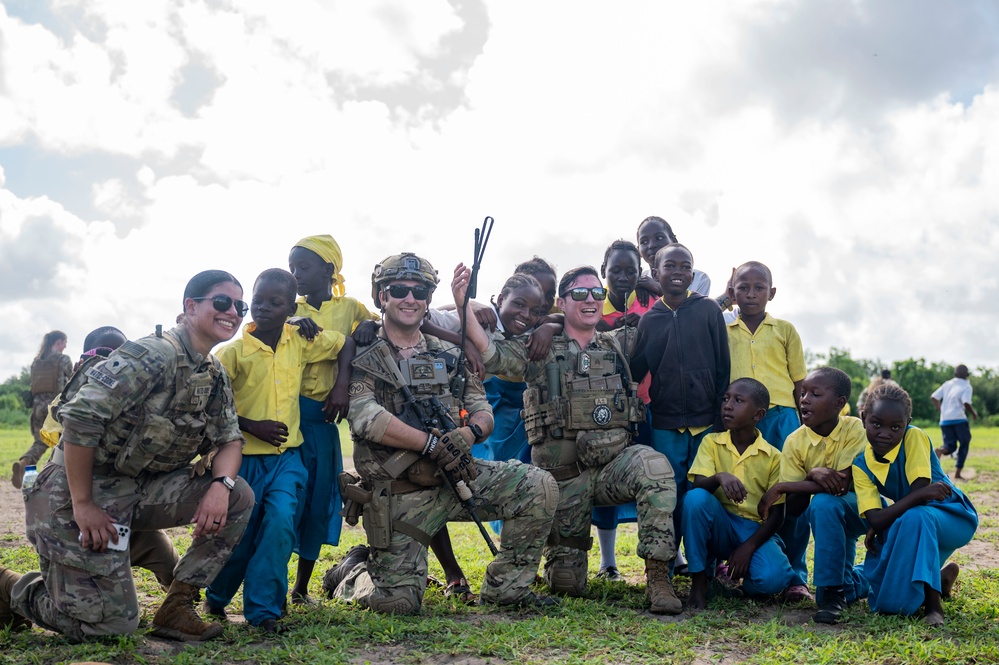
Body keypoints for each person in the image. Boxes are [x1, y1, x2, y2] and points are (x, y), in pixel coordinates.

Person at [1, 270, 255, 642]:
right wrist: (83, 503)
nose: (232, 311)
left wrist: (221, 485)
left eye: (239, 305)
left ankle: (176, 608)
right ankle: (11, 588)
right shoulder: (153, 355)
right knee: (109, 627)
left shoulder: (211, 372)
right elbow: (81, 420)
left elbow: (231, 439)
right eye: (221, 302)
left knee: (238, 495)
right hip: (73, 495)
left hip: (133, 492)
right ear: (190, 306)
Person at [324, 253, 559, 614]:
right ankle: (352, 569)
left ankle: (507, 588)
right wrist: (428, 443)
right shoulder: (364, 350)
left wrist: (470, 433)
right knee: (398, 604)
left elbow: (481, 407)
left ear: (429, 299)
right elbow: (365, 416)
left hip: (457, 479)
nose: (409, 298)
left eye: (419, 291)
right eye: (398, 289)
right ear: (382, 296)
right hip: (401, 496)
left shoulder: (448, 352)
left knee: (537, 485)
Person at [453, 262, 682, 614]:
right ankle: (553, 556)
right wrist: (463, 301)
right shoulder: (538, 349)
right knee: (567, 585)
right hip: (565, 483)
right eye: (579, 293)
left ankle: (659, 579)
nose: (589, 299)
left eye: (596, 293)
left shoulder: (617, 343)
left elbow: (671, 323)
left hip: (613, 469)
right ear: (561, 302)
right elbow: (489, 350)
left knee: (654, 467)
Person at [204, 269, 354, 632]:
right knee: (244, 531)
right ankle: (217, 597)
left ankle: (264, 612)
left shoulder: (299, 340)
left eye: (276, 302)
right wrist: (252, 425)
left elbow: (345, 344)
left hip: (288, 459)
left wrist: (341, 386)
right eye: (258, 301)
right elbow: (209, 407)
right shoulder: (232, 353)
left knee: (281, 524)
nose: (264, 308)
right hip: (243, 459)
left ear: (291, 308)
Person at [37, 326, 181, 591]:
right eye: (102, 354)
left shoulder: (139, 397)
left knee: (179, 578)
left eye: (122, 355)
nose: (112, 362)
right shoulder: (72, 401)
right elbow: (69, 437)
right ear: (83, 361)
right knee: (90, 603)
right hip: (85, 517)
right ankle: (9, 586)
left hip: (127, 515)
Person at [286, 235, 378, 605]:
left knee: (319, 497)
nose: (295, 275)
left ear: (329, 269)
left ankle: (300, 588)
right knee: (286, 499)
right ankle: (275, 579)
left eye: (302, 267)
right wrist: (292, 319)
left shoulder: (350, 308)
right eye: (291, 268)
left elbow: (372, 328)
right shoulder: (291, 307)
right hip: (288, 418)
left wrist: (369, 327)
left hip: (325, 419)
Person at [629, 243, 730, 571]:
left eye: (684, 266)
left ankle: (707, 568)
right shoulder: (650, 320)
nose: (677, 272)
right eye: (669, 266)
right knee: (668, 493)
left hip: (706, 422)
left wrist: (720, 416)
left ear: (692, 272)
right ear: (655, 273)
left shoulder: (708, 311)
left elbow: (722, 367)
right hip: (666, 422)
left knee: (703, 495)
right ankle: (667, 564)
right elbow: (636, 369)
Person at [854, 383, 977, 626]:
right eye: (876, 424)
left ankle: (933, 606)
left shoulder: (914, 436)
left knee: (918, 517)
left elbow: (919, 491)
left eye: (896, 426)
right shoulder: (860, 465)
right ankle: (939, 579)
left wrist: (883, 521)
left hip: (952, 514)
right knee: (887, 602)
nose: (885, 433)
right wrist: (877, 525)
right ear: (863, 417)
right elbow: (877, 519)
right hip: (910, 517)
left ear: (907, 423)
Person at [758, 367, 869, 624]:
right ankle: (835, 592)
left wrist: (782, 487)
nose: (804, 399)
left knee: (823, 502)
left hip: (866, 511)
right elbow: (796, 509)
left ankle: (832, 591)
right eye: (803, 392)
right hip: (828, 518)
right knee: (821, 506)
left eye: (815, 394)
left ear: (839, 404)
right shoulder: (795, 441)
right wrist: (811, 476)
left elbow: (842, 485)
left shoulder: (855, 429)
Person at [683, 378, 798, 610]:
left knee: (771, 580)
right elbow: (698, 488)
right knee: (694, 499)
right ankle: (699, 581)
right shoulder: (711, 442)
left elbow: (777, 515)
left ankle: (743, 584)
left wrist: (749, 548)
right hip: (719, 525)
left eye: (738, 400)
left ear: (758, 415)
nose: (727, 405)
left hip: (753, 530)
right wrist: (719, 477)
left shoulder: (774, 456)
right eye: (726, 398)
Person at [592, 240, 652, 581]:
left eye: (631, 270)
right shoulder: (591, 308)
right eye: (616, 270)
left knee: (655, 478)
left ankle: (666, 557)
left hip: (643, 407)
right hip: (601, 413)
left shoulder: (650, 308)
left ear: (641, 273)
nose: (624, 276)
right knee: (605, 485)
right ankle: (608, 561)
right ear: (604, 272)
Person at [726, 261, 805, 450]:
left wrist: (804, 423)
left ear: (772, 293)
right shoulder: (723, 332)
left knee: (787, 469)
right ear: (732, 293)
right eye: (743, 287)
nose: (751, 294)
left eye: (759, 288)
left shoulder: (785, 330)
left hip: (782, 415)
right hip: (740, 416)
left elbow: (799, 380)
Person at [12, 331, 73, 488]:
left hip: (38, 406)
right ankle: (57, 477)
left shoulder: (37, 362)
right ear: (58, 342)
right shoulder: (63, 359)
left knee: (41, 440)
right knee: (63, 441)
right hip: (56, 406)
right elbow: (73, 381)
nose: (66, 346)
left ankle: (25, 462)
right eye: (64, 342)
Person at [635, 216, 711, 299]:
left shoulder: (699, 279)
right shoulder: (638, 281)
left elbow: (696, 310)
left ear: (673, 240)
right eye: (644, 242)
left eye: (659, 238)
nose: (651, 245)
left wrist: (659, 289)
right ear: (638, 250)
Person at [931, 365, 978, 479]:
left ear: (955, 374)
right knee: (964, 443)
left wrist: (941, 410)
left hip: (945, 420)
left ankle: (941, 450)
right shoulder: (967, 386)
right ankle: (957, 473)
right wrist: (973, 413)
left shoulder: (947, 384)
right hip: (959, 419)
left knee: (950, 445)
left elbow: (934, 397)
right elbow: (966, 402)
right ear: (967, 375)